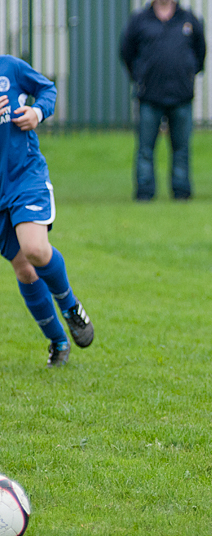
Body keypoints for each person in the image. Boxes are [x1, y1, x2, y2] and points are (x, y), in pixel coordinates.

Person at [0, 56, 94, 367]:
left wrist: (36, 112)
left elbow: (48, 90)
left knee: (36, 249)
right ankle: (58, 341)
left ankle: (70, 307)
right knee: (25, 270)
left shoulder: (10, 68)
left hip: (25, 175)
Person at [119, 0, 206, 202]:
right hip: (150, 95)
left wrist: (188, 72)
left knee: (181, 148)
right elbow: (126, 52)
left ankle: (181, 191)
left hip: (181, 95)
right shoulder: (140, 20)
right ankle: (145, 192)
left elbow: (200, 51)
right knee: (145, 148)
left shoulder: (188, 19)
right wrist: (140, 75)